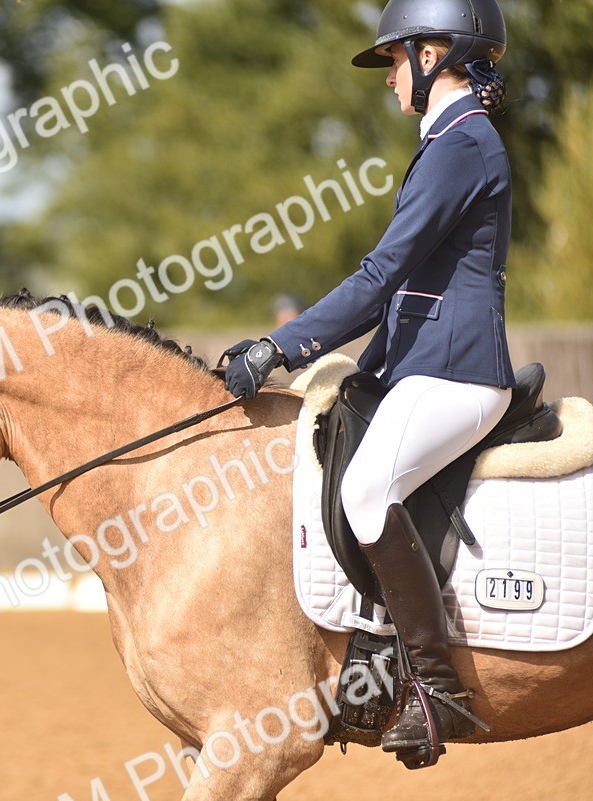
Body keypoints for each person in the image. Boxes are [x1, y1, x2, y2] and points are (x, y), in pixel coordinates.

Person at [221, 0, 513, 759]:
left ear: (434, 54)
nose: (387, 79)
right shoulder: (448, 141)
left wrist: (278, 348)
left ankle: (439, 689)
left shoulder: (461, 145)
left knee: (364, 490)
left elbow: (383, 275)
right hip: (422, 365)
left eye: (393, 60)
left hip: (459, 373)